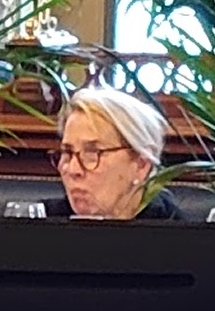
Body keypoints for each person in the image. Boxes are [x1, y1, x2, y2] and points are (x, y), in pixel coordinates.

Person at [45, 81, 178, 221]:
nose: (73, 170)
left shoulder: (176, 230)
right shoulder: (42, 222)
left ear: (141, 165)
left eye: (92, 153)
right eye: (67, 152)